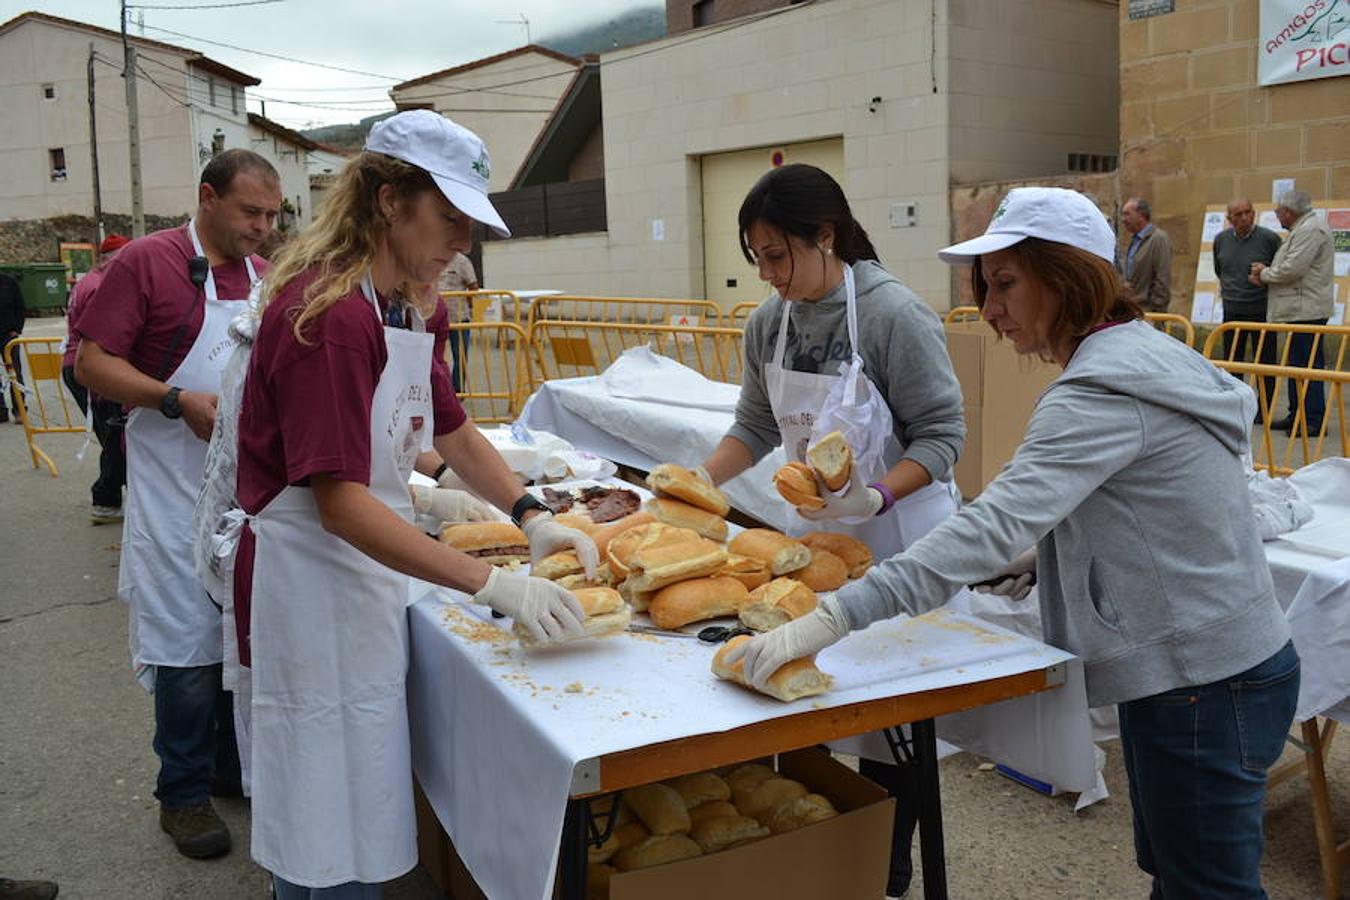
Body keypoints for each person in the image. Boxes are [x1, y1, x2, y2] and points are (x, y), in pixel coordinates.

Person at [730, 187, 1299, 900]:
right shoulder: (1145, 355)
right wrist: (1044, 555)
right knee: (1182, 877)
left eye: (1005, 284)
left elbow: (991, 520)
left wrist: (835, 616)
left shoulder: (1098, 392)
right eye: (984, 286)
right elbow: (1149, 501)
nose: (989, 310)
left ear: (1068, 278)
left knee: (1208, 888)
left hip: (1202, 680)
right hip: (1222, 664)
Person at [234, 109, 595, 898]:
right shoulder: (328, 315)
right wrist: (492, 583)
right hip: (312, 576)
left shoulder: (402, 304)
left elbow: (453, 427)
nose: (462, 241)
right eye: (450, 218)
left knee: (364, 782)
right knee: (323, 803)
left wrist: (532, 512)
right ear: (390, 200)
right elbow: (339, 504)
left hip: (367, 567)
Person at [685, 163, 966, 898]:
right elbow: (753, 426)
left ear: (826, 236)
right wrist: (694, 485)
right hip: (821, 542)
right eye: (757, 259)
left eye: (779, 255)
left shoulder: (891, 314)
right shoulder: (767, 323)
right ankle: (826, 847)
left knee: (892, 719)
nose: (769, 275)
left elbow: (942, 437)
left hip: (902, 532)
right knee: (808, 695)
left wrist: (872, 498)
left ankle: (889, 861)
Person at [74, 149, 283, 860]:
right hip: (170, 479)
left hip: (243, 486)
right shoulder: (149, 261)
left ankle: (228, 767)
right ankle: (183, 794)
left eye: (272, 215)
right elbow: (91, 361)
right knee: (187, 644)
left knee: (238, 633)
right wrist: (174, 399)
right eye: (251, 212)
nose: (263, 227)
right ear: (207, 197)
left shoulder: (264, 276)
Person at [1250, 189, 1335, 434]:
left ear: (1288, 212)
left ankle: (1312, 420)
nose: (1277, 216)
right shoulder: (1304, 228)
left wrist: (1263, 274)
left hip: (1306, 310)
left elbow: (1292, 269)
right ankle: (1297, 413)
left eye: (1278, 212)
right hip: (1297, 309)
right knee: (1296, 365)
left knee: (1307, 366)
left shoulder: (1310, 230)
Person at [62, 233, 131, 523]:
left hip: (82, 366)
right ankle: (106, 498)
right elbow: (104, 336)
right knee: (116, 437)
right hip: (93, 369)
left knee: (114, 437)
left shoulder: (88, 281)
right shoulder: (101, 286)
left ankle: (111, 497)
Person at [1212, 199, 1280, 421]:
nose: (1244, 218)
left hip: (1261, 309)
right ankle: (1237, 406)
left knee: (1265, 363)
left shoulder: (1269, 239)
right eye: (1238, 214)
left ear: (1253, 214)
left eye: (1248, 212)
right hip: (1232, 309)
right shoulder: (1221, 240)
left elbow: (1279, 272)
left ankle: (1265, 409)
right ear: (1229, 219)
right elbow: (1219, 269)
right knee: (1233, 361)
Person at [1118, 197, 1172, 312]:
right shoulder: (1135, 240)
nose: (1123, 219)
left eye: (1127, 214)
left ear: (1141, 216)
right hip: (1133, 310)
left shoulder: (1158, 239)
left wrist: (1157, 309)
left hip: (1149, 312)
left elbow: (1162, 277)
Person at [436, 251, 478, 392]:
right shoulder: (433, 257)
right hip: (435, 318)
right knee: (434, 356)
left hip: (459, 317)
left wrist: (472, 307)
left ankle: (457, 391)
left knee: (460, 357)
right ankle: (438, 391)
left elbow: (473, 286)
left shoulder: (462, 261)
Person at [0, 268, 25, 423]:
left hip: (9, 335)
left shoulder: (9, 283)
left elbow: (20, 307)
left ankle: (19, 409)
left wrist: (17, 329)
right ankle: (1, 412)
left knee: (15, 373)